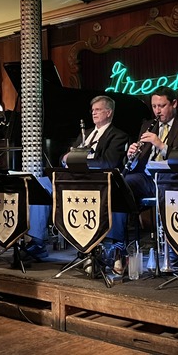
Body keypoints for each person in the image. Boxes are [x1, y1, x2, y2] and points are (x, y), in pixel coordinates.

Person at [22, 96, 129, 261]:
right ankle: (37, 242)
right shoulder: (85, 134)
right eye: (92, 110)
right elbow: (66, 156)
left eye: (98, 110)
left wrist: (81, 158)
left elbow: (109, 162)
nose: (94, 113)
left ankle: (109, 247)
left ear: (108, 113)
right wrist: (66, 158)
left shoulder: (118, 136)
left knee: (113, 188)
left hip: (93, 180)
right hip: (71, 177)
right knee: (40, 184)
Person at [121, 87, 178, 246]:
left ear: (174, 103)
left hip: (174, 178)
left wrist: (161, 145)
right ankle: (119, 244)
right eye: (154, 106)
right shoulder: (147, 124)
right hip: (147, 177)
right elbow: (141, 158)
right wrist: (133, 155)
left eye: (162, 106)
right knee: (120, 185)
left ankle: (175, 245)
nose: (157, 111)